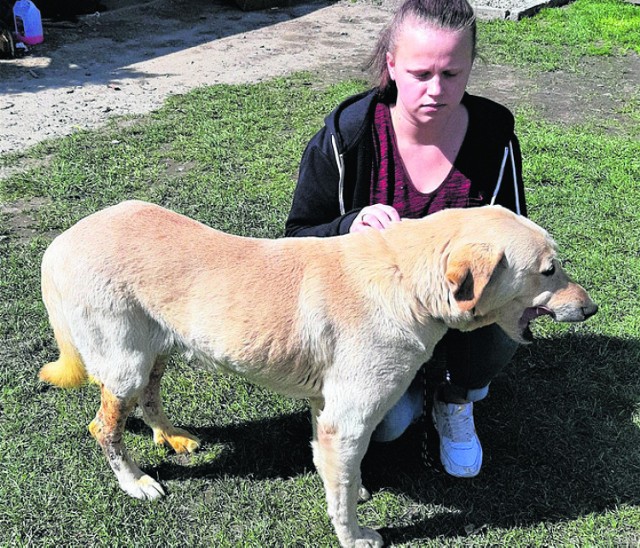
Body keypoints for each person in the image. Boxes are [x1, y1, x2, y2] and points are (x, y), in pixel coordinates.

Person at [285, 0, 526, 478]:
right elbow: (295, 237)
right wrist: (347, 226)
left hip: (460, 319)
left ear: (470, 66)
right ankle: (398, 394)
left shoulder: (493, 139)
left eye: (452, 74)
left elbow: (514, 236)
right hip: (372, 328)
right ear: (391, 65)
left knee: (509, 315)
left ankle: (456, 398)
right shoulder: (347, 136)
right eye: (420, 73)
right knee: (391, 424)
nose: (436, 90)